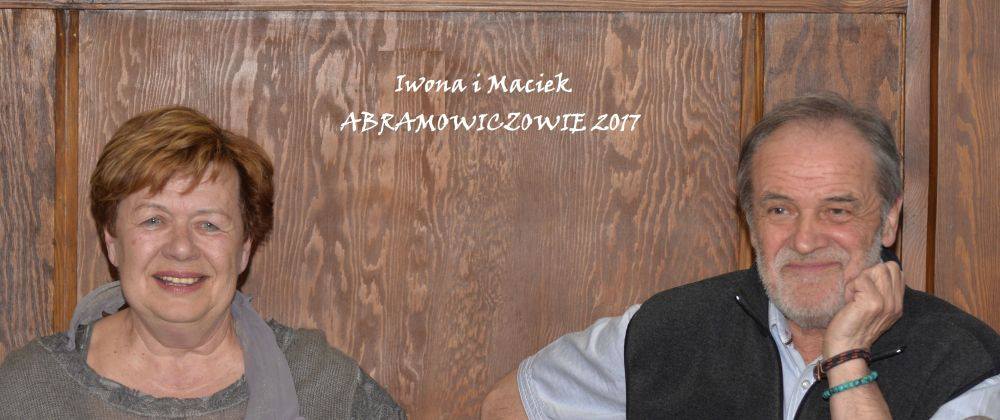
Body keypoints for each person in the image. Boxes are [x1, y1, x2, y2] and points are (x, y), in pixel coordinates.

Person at [482, 93, 1000, 419]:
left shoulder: (967, 366)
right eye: (780, 209)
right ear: (751, 221)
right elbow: (511, 405)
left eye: (837, 211)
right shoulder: (672, 326)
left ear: (888, 219)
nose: (804, 240)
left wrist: (846, 361)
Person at [0, 107, 405, 419]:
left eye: (208, 224)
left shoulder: (324, 388)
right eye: (153, 220)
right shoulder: (29, 390)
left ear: (244, 247)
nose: (181, 248)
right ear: (112, 242)